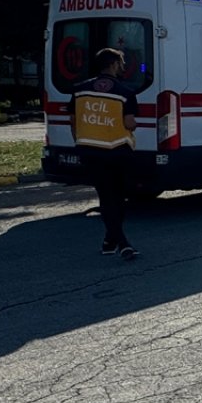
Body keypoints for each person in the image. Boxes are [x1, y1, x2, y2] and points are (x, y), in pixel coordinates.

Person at [70, 48, 139, 260]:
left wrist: (80, 142)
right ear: (113, 65)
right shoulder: (125, 92)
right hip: (118, 150)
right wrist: (133, 124)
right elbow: (129, 123)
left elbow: (74, 121)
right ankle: (123, 244)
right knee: (117, 198)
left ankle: (110, 241)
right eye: (120, 63)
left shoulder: (80, 90)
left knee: (106, 196)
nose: (122, 67)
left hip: (90, 150)